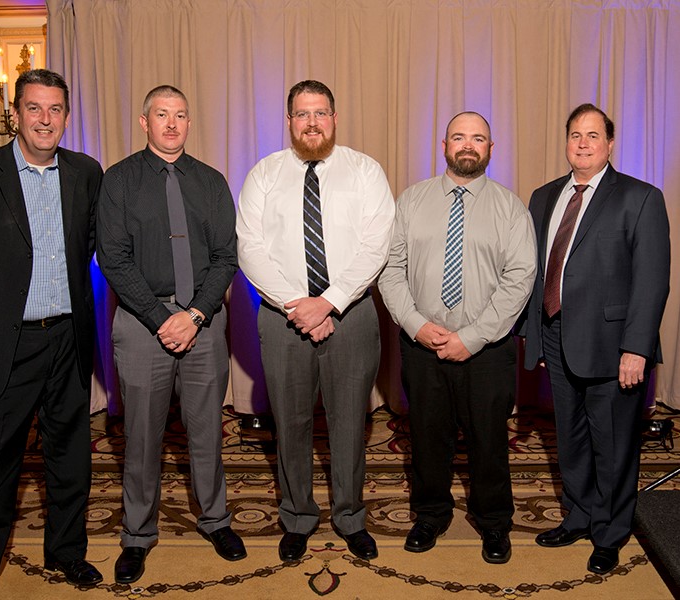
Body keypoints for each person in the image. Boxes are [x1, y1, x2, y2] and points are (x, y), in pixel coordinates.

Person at [0, 69, 104, 599]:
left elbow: (91, 245)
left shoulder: (85, 173)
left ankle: (67, 553)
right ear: (15, 114)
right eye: (34, 108)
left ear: (67, 117)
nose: (45, 119)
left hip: (68, 340)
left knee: (70, 455)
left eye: (55, 109)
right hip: (6, 343)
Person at [236, 80, 395, 562]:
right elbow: (250, 247)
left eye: (320, 112)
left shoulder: (365, 171)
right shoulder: (264, 174)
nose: (311, 122)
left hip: (352, 316)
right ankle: (297, 516)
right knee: (291, 423)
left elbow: (376, 245)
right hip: (283, 318)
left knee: (351, 423)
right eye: (302, 114)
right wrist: (298, 305)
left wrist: (328, 302)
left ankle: (349, 516)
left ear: (334, 117)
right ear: (288, 121)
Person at [97, 85, 244, 584]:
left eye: (181, 115)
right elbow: (111, 258)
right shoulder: (118, 181)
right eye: (162, 115)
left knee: (207, 432)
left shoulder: (210, 181)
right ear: (145, 122)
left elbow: (227, 256)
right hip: (143, 322)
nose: (172, 124)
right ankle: (137, 535)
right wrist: (162, 320)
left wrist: (197, 313)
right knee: (141, 438)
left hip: (204, 322)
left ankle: (216, 520)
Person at [378, 112, 536, 564]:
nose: (469, 145)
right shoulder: (411, 201)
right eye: (460, 137)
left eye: (479, 138)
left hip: (487, 349)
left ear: (491, 148)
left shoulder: (510, 207)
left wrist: (473, 337)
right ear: (443, 144)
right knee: (427, 438)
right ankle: (430, 515)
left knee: (489, 440)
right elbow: (391, 270)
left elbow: (519, 278)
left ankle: (493, 523)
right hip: (422, 344)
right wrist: (415, 325)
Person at [520, 104, 670, 574]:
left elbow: (652, 281)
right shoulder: (544, 197)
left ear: (609, 144)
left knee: (614, 445)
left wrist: (637, 348)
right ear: (566, 142)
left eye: (592, 135)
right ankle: (580, 516)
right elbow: (538, 272)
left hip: (614, 345)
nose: (582, 143)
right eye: (574, 135)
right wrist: (537, 337)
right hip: (557, 336)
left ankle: (610, 532)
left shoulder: (640, 197)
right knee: (571, 441)